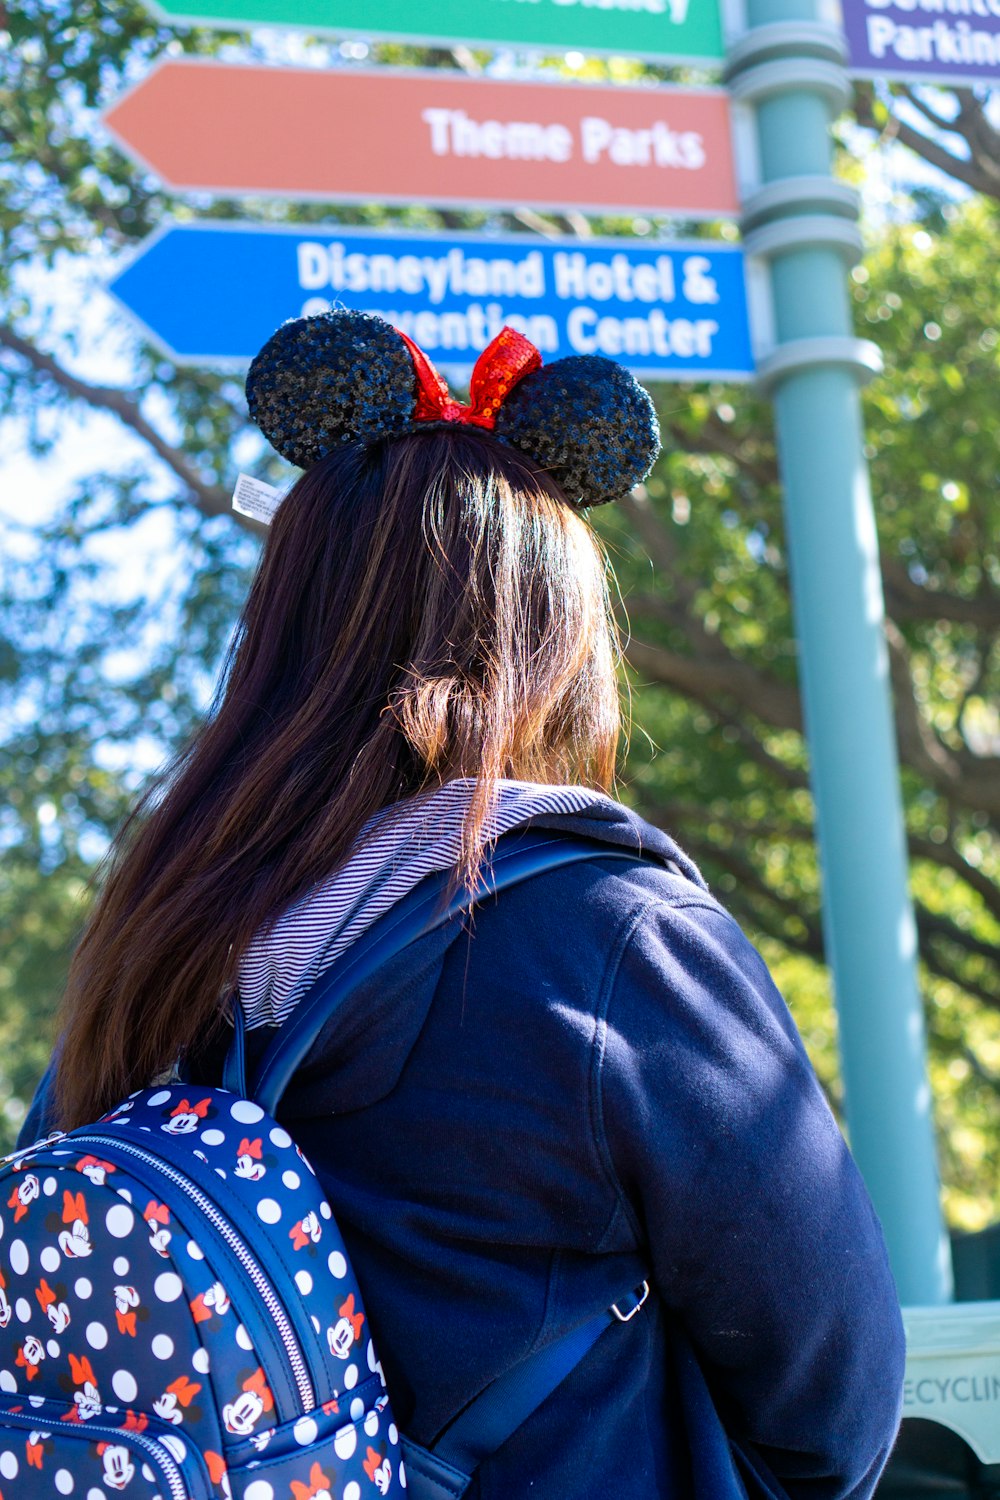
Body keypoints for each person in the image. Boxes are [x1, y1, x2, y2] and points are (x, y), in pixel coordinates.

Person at [36, 311, 904, 1498]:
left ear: (285, 634)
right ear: (555, 640)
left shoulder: (156, 945)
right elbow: (836, 1404)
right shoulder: (617, 941)